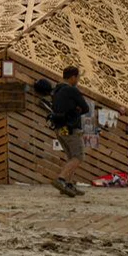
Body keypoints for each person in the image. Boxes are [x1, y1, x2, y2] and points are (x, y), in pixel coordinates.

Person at [50, 66, 90, 197]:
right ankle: (61, 179)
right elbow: (85, 108)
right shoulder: (72, 90)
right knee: (78, 156)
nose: (78, 80)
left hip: (59, 127)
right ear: (73, 77)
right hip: (71, 127)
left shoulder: (57, 90)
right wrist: (77, 109)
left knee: (71, 156)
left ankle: (69, 185)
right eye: (78, 77)